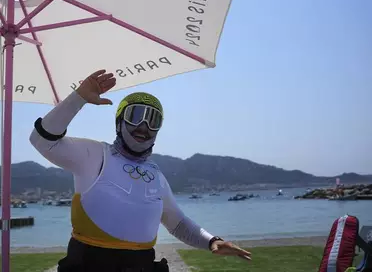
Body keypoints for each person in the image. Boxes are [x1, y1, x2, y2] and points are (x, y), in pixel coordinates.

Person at [30, 70, 252, 272]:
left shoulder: (156, 175)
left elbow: (178, 223)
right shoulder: (95, 154)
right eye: (135, 116)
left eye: (152, 119)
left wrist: (212, 241)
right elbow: (41, 140)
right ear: (119, 122)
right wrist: (77, 98)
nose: (144, 126)